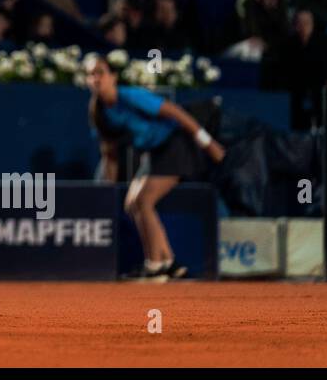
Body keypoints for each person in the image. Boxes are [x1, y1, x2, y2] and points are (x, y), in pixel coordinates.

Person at [84, 54, 225, 279]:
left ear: (113, 77)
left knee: (144, 201)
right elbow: (109, 155)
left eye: (100, 72)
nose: (95, 78)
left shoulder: (131, 96)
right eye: (91, 74)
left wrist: (208, 143)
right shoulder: (99, 114)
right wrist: (107, 191)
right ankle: (167, 263)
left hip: (175, 142)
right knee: (132, 203)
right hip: (154, 152)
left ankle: (157, 264)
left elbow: (176, 112)